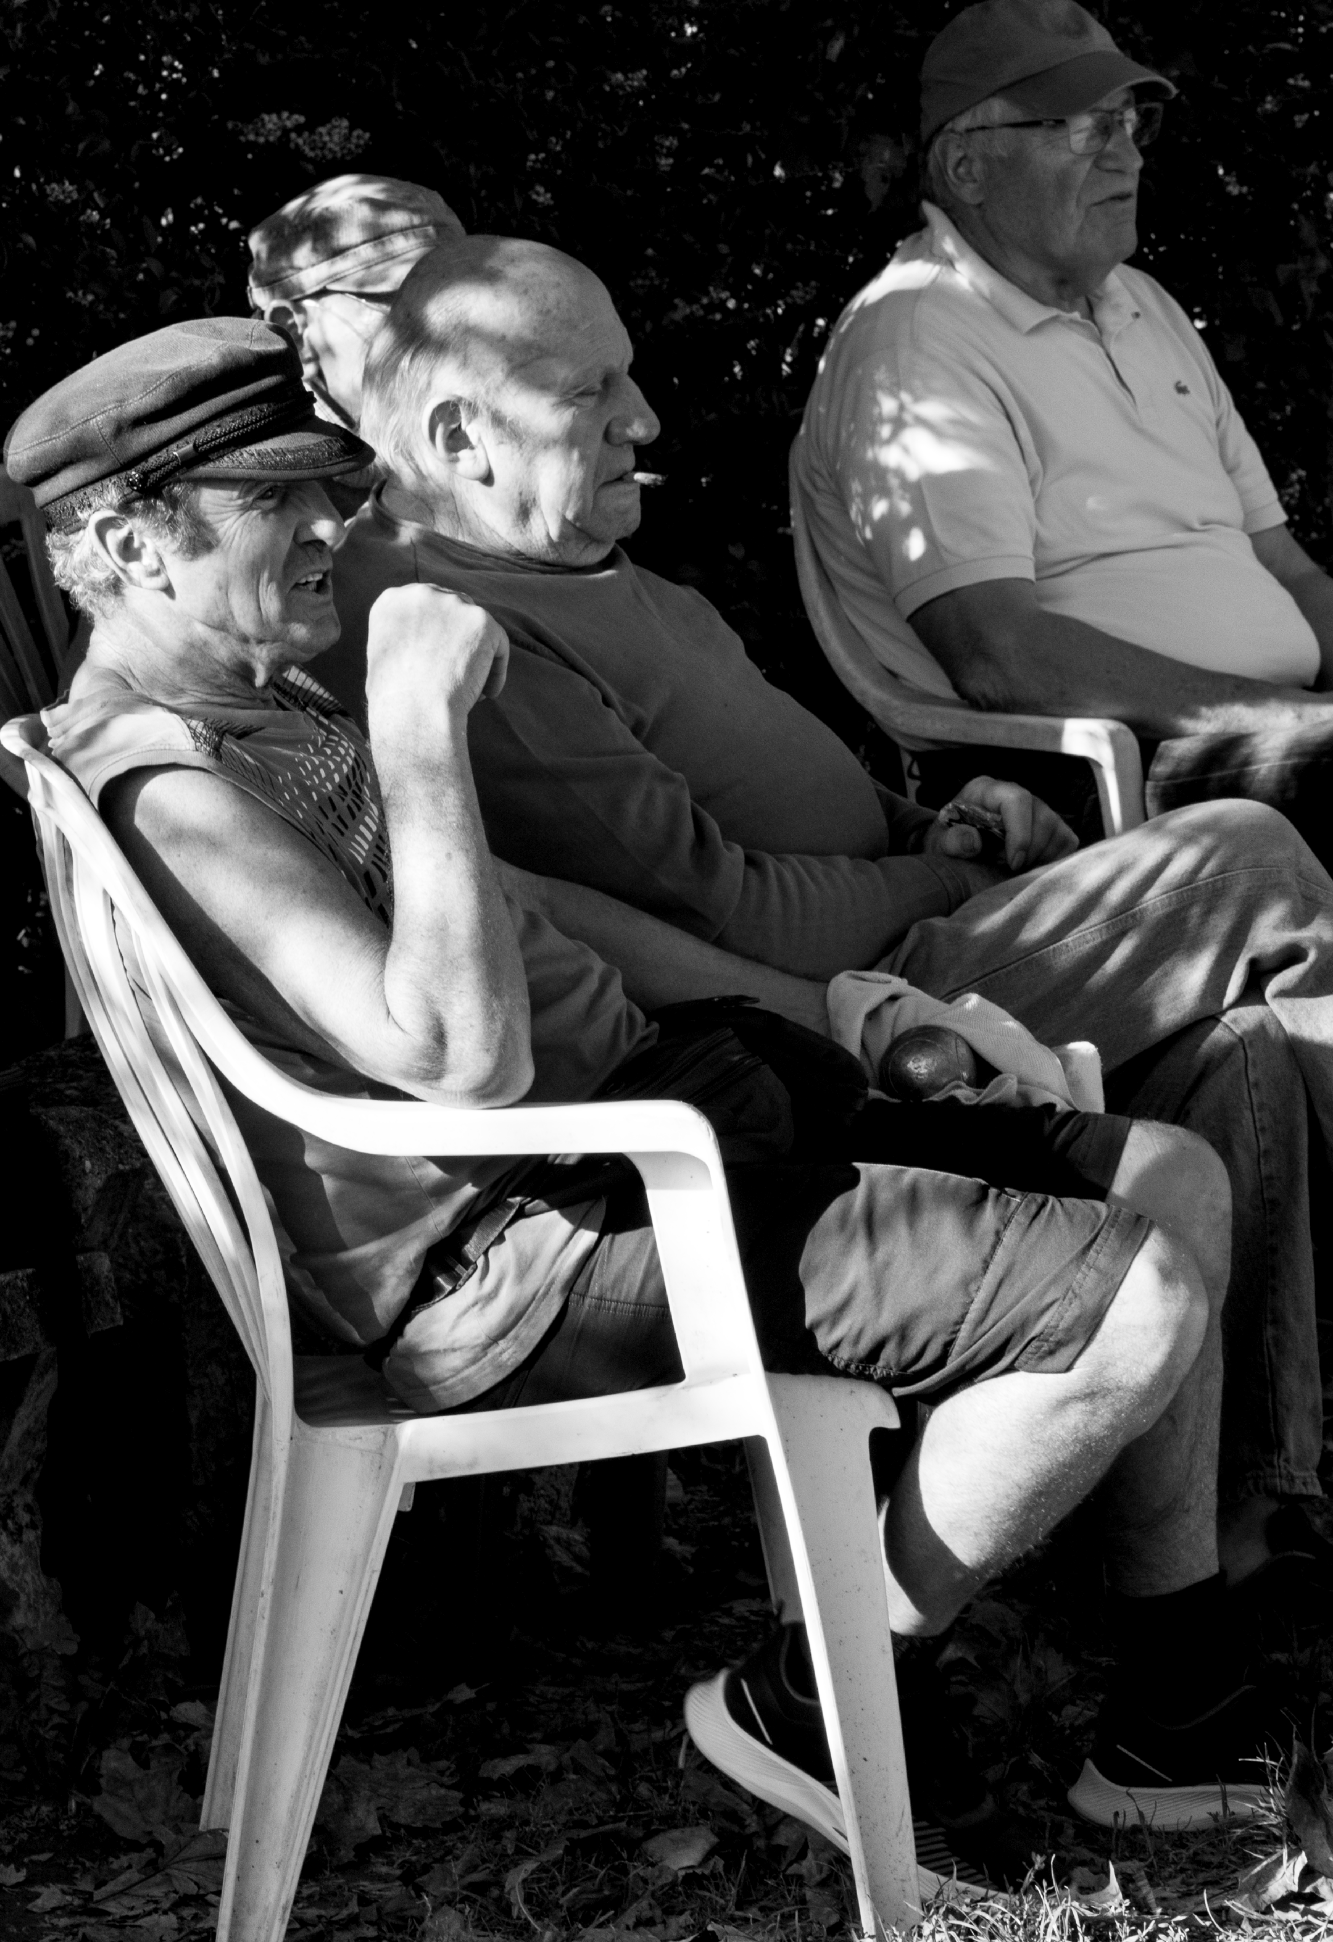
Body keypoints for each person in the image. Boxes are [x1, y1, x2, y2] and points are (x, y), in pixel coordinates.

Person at [7, 321, 1286, 1867]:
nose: (334, 526)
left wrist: (832, 1008)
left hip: (665, 1120)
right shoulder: (168, 785)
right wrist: (418, 734)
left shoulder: (257, 708)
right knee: (1136, 1302)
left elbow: (531, 903)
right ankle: (824, 1691)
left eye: (332, 487)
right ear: (132, 544)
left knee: (1168, 1177)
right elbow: (456, 1059)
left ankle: (1174, 1707)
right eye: (277, 500)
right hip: (530, 1247)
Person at [323, 233, 1333, 1622]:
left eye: (630, 379)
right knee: (1248, 856)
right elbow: (725, 903)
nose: (643, 420)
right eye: (590, 392)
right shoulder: (461, 626)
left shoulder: (607, 576)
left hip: (904, 930)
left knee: (1240, 1055)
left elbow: (803, 794)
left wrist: (939, 820)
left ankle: (1241, 1533)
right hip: (820, 1005)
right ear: (458, 436)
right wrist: (949, 877)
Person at [790, 0, 1333, 855]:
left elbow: (1284, 567)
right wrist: (1292, 720)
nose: (1126, 154)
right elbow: (1001, 657)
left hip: (1267, 737)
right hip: (1090, 771)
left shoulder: (1140, 305)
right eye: (1083, 128)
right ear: (966, 167)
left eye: (1129, 121)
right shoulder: (916, 345)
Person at [247, 173, 465, 436]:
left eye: (461, 301)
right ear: (294, 334)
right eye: (408, 308)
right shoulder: (265, 459)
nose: (453, 334)